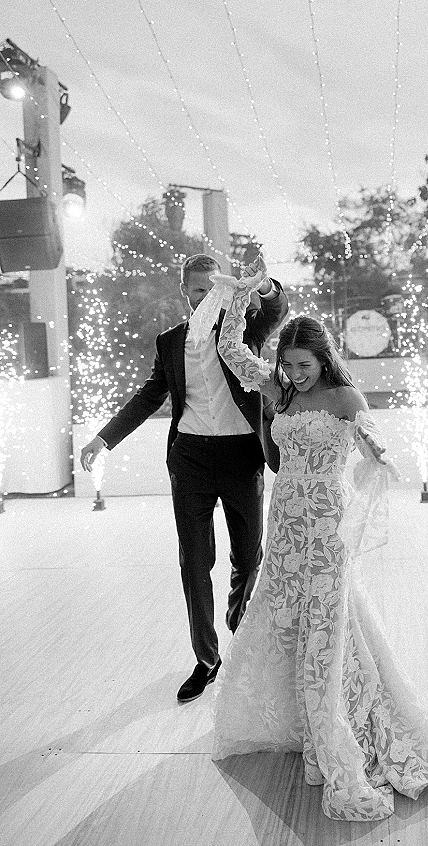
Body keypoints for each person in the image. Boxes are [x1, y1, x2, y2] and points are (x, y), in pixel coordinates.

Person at [210, 268, 428, 822]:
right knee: (285, 613)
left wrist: (378, 450)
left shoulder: (343, 395)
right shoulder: (280, 388)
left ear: (324, 358)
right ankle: (294, 719)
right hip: (286, 521)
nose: (294, 375)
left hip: (327, 523)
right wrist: (242, 295)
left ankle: (333, 721)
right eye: (288, 365)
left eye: (304, 366)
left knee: (327, 617)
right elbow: (232, 351)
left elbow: (368, 432)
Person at [80, 254, 288, 702]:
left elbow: (276, 309)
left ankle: (239, 623)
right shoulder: (170, 341)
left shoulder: (242, 330)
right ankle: (207, 659)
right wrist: (103, 438)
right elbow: (148, 396)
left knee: (248, 555)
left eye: (215, 288)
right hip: (190, 457)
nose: (208, 296)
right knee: (193, 561)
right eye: (199, 289)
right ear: (185, 292)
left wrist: (262, 285)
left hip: (241, 455)